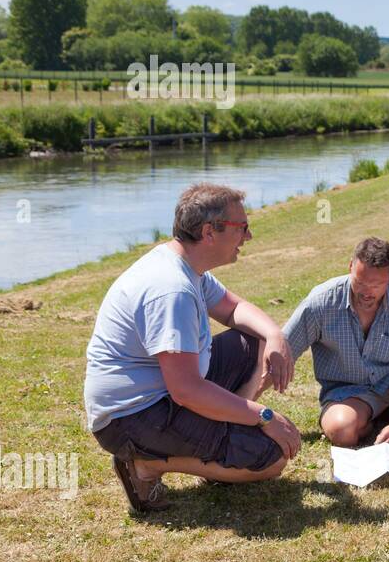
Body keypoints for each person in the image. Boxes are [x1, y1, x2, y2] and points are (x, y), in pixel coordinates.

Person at [85, 183, 300, 514]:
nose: (248, 236)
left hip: (167, 393)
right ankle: (146, 465)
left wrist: (274, 335)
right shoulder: (172, 290)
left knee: (256, 342)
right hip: (133, 416)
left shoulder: (188, 267)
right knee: (270, 458)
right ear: (208, 232)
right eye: (241, 228)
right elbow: (185, 390)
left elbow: (232, 309)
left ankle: (225, 435)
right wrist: (263, 416)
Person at [282, 238, 389, 447]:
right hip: (348, 391)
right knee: (341, 432)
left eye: (376, 285)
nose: (367, 292)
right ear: (350, 267)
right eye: (360, 282)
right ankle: (374, 415)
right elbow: (282, 352)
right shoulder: (321, 302)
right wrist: (246, 408)